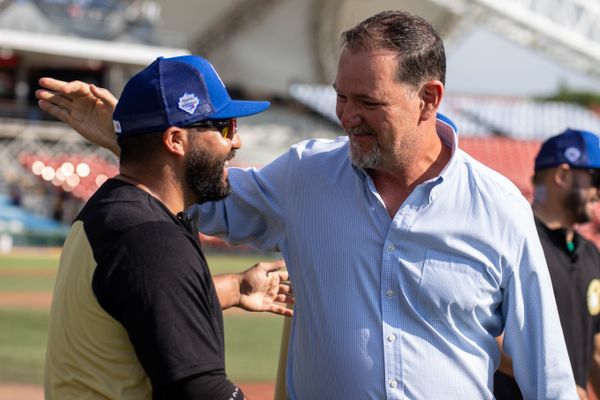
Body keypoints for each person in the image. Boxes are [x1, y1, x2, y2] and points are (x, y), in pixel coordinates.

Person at [37, 10, 577, 399]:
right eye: (341, 96)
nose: (346, 116)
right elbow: (195, 192)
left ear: (428, 99)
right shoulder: (305, 174)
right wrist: (129, 134)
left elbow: (546, 373)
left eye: (368, 101)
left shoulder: (500, 208)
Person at [42, 55, 293, 400]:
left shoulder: (115, 208)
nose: (236, 142)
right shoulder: (150, 238)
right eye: (226, 127)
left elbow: (144, 300)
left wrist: (236, 288)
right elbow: (201, 391)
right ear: (175, 140)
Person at [494, 128, 600, 400]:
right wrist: (556, 385)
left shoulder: (590, 254)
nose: (598, 193)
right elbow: (485, 335)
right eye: (596, 179)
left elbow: (595, 349)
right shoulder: (510, 240)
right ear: (562, 176)